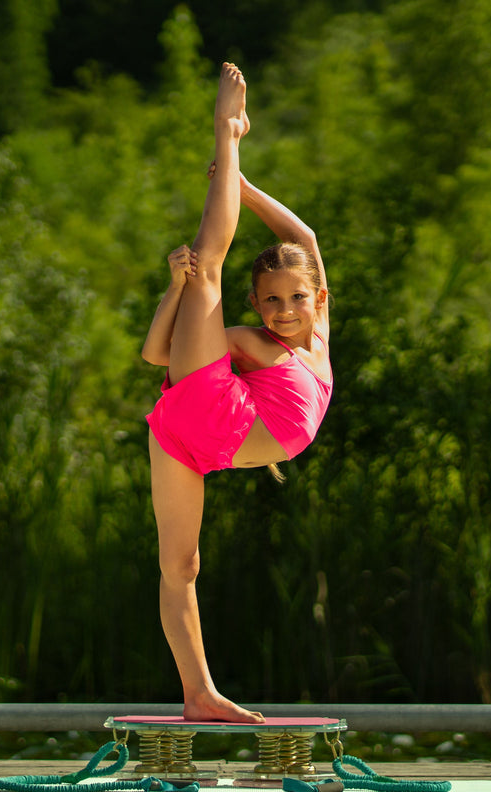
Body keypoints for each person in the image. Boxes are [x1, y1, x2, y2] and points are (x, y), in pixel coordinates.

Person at [141, 63, 332, 723]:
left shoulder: (319, 333)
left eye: (296, 299)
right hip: (205, 413)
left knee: (184, 566)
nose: (284, 310)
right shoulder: (251, 341)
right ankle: (227, 130)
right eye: (271, 300)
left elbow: (304, 239)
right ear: (256, 303)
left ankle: (200, 695)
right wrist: (176, 289)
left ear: (320, 299)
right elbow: (157, 354)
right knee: (206, 269)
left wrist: (244, 190)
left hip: (196, 446)